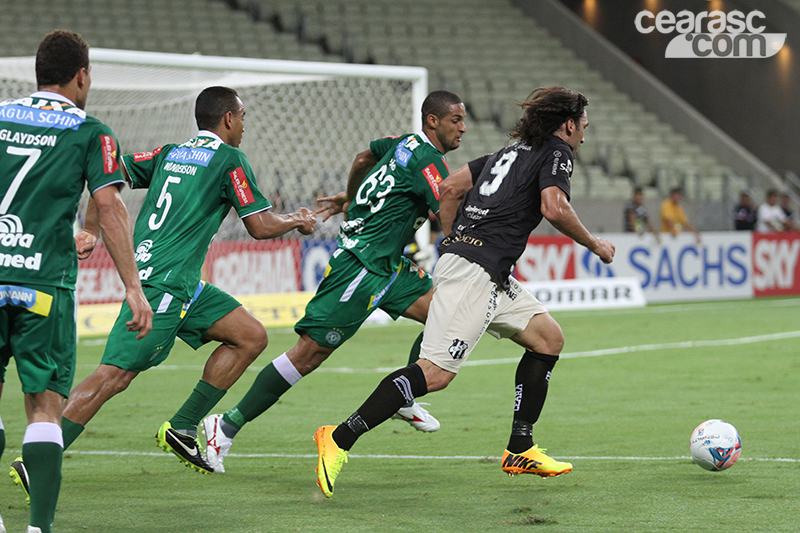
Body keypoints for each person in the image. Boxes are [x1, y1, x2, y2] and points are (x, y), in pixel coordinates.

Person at [313, 86, 615, 498]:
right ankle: (338, 438)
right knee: (435, 375)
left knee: (548, 339)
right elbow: (554, 207)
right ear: (568, 125)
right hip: (475, 272)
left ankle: (520, 448)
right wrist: (596, 245)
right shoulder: (557, 152)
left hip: (486, 270)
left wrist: (455, 237)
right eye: (583, 126)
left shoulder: (509, 152)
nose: (583, 134)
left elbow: (450, 188)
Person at [9, 86, 316, 488]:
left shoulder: (169, 153)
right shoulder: (230, 160)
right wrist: (297, 219)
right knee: (112, 377)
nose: (243, 125)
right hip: (162, 287)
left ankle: (183, 426)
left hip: (184, 284)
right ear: (228, 118)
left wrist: (90, 231)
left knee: (250, 336)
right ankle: (37, 461)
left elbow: (106, 175)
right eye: (242, 117)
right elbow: (259, 225)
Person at [201, 90, 466, 473]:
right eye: (456, 120)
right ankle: (224, 426)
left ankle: (405, 396)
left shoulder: (402, 143)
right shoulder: (430, 162)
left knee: (448, 313)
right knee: (308, 354)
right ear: (433, 121)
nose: (463, 128)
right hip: (359, 267)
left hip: (388, 265)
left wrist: (353, 198)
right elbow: (448, 208)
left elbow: (362, 158)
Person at [0, 31, 152, 533]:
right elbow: (108, 206)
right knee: (45, 409)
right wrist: (132, 287)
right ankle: (37, 529)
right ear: (82, 75)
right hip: (43, 284)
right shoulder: (92, 133)